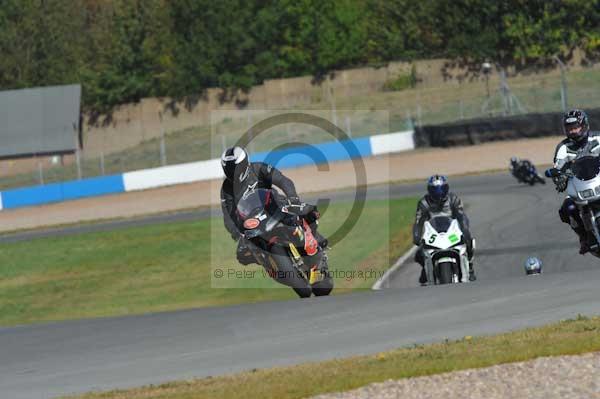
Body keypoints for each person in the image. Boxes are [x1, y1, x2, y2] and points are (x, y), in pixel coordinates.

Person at [220, 146, 325, 265]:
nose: (233, 173)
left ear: (245, 164)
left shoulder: (259, 168)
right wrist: (236, 232)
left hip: (275, 204)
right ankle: (269, 263)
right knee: (242, 255)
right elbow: (228, 215)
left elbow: (282, 180)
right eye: (229, 169)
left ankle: (313, 238)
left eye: (235, 169)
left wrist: (293, 198)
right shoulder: (226, 189)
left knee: (306, 211)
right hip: (252, 220)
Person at [552, 109, 600, 254]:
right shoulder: (563, 148)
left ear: (584, 125)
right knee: (567, 209)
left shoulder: (597, 138)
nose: (573, 131)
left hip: (598, 180)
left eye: (575, 127)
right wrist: (559, 177)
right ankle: (584, 237)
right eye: (569, 128)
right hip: (579, 185)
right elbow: (557, 167)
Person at [412, 175, 476, 284]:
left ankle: (469, 266)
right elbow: (418, 221)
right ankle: (425, 269)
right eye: (435, 190)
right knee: (418, 254)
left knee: (469, 241)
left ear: (446, 188)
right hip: (433, 232)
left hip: (451, 230)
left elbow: (461, 216)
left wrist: (465, 229)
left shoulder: (453, 199)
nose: (439, 193)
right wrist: (416, 235)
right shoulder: (424, 203)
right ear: (430, 190)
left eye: (441, 189)